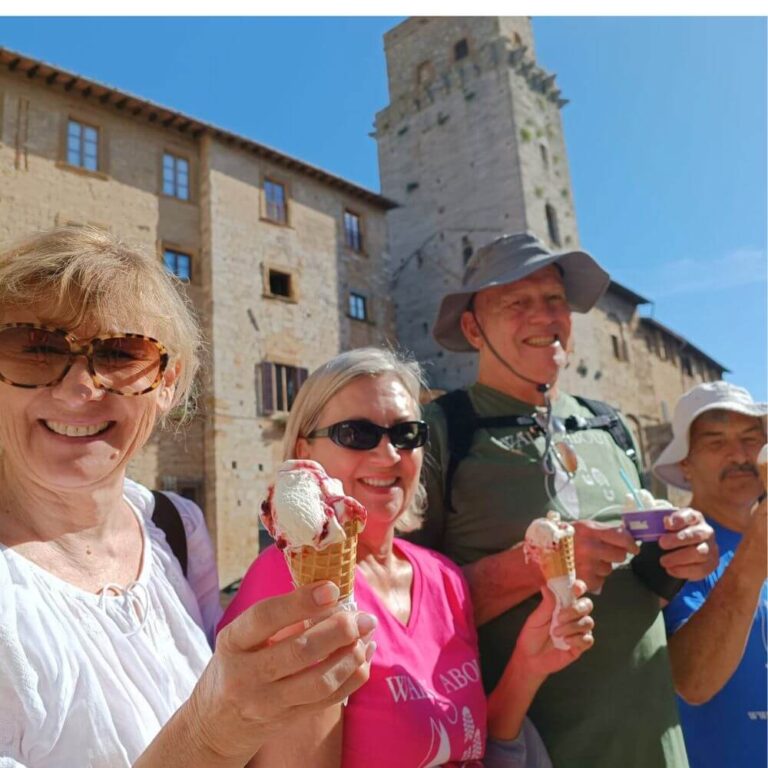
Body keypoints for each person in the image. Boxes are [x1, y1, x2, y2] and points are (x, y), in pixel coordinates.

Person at [0, 226, 375, 768]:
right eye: (34, 348)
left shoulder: (176, 527)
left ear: (167, 383)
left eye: (121, 353)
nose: (80, 386)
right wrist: (216, 730)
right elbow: (216, 730)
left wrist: (299, 696)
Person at [407, 232, 720, 768]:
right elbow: (404, 607)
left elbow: (647, 588)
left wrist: (687, 553)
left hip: (655, 748)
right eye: (517, 302)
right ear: (473, 329)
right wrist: (536, 565)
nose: (544, 315)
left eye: (555, 299)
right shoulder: (437, 433)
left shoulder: (610, 425)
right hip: (532, 752)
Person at [220, 347, 596, 768]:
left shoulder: (444, 577)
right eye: (356, 434)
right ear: (305, 452)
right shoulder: (291, 583)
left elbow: (470, 747)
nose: (388, 456)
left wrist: (528, 665)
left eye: (406, 434)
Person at [654, 381, 767, 768]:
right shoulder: (673, 548)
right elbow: (693, 682)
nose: (739, 455)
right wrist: (754, 555)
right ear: (685, 464)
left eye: (751, 439)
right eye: (716, 443)